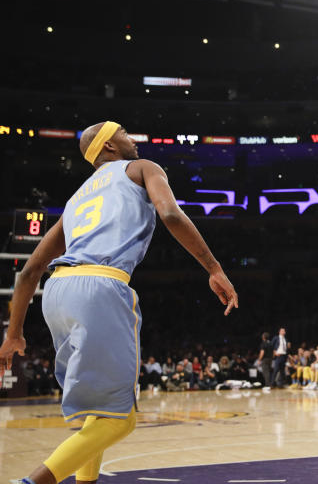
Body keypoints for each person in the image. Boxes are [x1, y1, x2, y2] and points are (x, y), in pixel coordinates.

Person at [0, 121, 238, 484]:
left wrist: (14, 332)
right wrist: (214, 267)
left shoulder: (77, 198)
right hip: (99, 286)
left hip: (57, 292)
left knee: (94, 415)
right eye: (125, 132)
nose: (133, 139)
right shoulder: (143, 169)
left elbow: (32, 269)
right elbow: (171, 214)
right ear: (109, 146)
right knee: (119, 420)